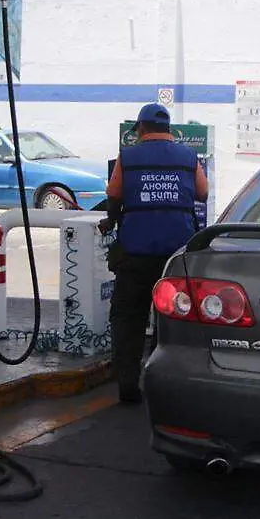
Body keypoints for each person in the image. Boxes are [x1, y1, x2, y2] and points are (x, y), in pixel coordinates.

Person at [99, 103, 209, 403]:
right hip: (176, 256)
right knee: (172, 319)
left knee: (128, 318)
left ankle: (127, 385)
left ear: (141, 128)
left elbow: (113, 197)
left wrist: (113, 219)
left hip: (134, 253)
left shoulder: (128, 156)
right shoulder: (188, 157)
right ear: (169, 129)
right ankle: (166, 382)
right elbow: (202, 193)